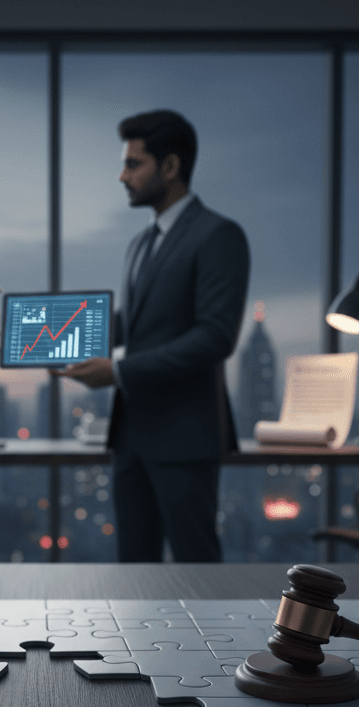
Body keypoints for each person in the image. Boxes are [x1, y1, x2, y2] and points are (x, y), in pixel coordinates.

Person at [59, 109, 249, 562]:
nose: (122, 175)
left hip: (184, 436)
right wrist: (47, 338)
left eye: (133, 164)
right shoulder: (139, 244)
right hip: (130, 437)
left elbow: (215, 337)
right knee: (133, 571)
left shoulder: (218, 235)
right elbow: (133, 323)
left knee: (196, 567)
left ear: (169, 166)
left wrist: (119, 370)